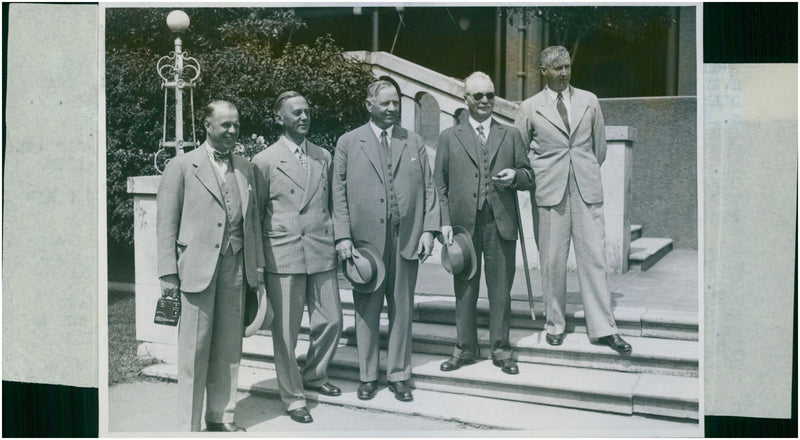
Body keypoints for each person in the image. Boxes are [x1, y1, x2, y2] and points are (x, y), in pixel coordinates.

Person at [513, 46, 632, 353]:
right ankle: (555, 323)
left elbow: (599, 148)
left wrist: (583, 171)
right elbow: (519, 151)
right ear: (543, 72)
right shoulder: (529, 107)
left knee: (594, 258)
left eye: (567, 66)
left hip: (586, 190)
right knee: (552, 262)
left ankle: (604, 328)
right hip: (550, 193)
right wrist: (541, 174)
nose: (564, 73)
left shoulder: (589, 101)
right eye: (557, 68)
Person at [157, 100, 266, 432]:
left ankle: (221, 416)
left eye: (236, 125)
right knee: (194, 350)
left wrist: (256, 271)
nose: (232, 131)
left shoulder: (247, 168)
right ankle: (188, 427)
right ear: (207, 125)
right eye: (225, 125)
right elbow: (166, 224)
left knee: (229, 348)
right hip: (195, 271)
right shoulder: (181, 166)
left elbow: (253, 224)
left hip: (236, 268)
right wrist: (168, 274)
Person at [332, 80, 440, 402]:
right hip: (365, 244)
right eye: (385, 104)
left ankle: (399, 375)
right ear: (369, 105)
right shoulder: (349, 142)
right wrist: (342, 236)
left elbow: (429, 188)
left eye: (396, 103)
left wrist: (427, 231)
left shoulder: (414, 141)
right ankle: (367, 375)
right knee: (366, 309)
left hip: (405, 237)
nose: (393, 109)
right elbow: (337, 193)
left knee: (402, 309)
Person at [251, 91, 343, 424]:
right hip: (283, 252)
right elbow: (256, 215)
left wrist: (339, 240)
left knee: (333, 320)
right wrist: (259, 263)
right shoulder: (263, 161)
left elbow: (334, 204)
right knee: (286, 333)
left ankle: (315, 375)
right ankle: (292, 398)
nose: (303, 117)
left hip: (321, 249)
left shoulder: (323, 156)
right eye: (296, 113)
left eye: (307, 112)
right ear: (280, 119)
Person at [434, 72, 533, 375]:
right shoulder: (450, 137)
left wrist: (515, 177)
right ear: (466, 100)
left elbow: (529, 176)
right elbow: (439, 184)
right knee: (464, 288)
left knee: (501, 289)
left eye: (490, 95)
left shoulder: (511, 135)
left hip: (500, 221)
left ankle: (501, 350)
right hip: (464, 226)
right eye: (478, 96)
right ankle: (464, 349)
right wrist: (444, 223)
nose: (486, 101)